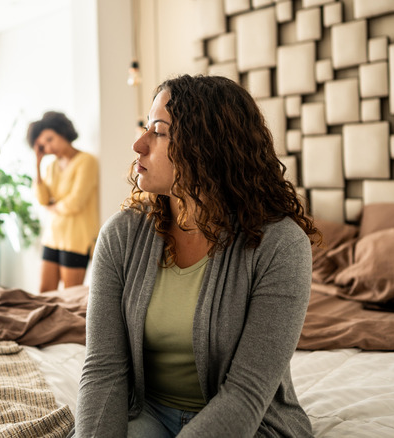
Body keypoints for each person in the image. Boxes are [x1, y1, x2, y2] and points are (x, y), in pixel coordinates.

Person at [73, 75, 319, 437]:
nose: (138, 144)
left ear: (207, 147)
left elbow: (246, 394)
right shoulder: (121, 235)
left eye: (159, 132)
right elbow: (103, 369)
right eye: (146, 127)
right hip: (148, 413)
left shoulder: (281, 245)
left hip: (250, 425)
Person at [27, 111, 99, 293]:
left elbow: (75, 203)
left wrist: (53, 207)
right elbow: (43, 199)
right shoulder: (51, 166)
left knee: (70, 296)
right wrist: (37, 165)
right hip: (52, 237)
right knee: (44, 292)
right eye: (43, 145)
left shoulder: (86, 161)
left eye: (50, 139)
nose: (49, 147)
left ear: (62, 131)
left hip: (76, 239)